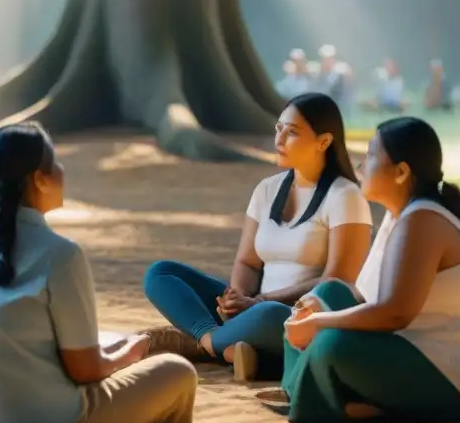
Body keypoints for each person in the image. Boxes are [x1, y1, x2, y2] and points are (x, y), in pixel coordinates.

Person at [0, 122, 198, 423]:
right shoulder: (62, 254)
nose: (61, 170)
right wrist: (128, 355)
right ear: (40, 179)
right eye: (54, 162)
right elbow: (84, 371)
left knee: (105, 341)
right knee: (177, 371)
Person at [280, 117, 460, 423]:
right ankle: (322, 394)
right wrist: (317, 312)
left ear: (402, 172)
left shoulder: (423, 221)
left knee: (329, 343)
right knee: (326, 294)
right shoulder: (401, 216)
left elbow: (394, 313)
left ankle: (319, 395)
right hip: (415, 350)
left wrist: (320, 323)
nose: (361, 164)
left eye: (372, 156)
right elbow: (366, 300)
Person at [143, 93, 372, 382]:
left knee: (271, 316)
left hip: (300, 317)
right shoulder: (267, 189)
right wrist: (234, 301)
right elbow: (248, 261)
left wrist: (260, 302)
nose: (279, 139)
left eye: (292, 133)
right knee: (161, 273)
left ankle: (211, 344)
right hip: (253, 308)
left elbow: (337, 280)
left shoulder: (346, 196)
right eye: (278, 129)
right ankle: (219, 343)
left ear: (323, 142)